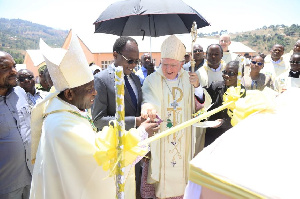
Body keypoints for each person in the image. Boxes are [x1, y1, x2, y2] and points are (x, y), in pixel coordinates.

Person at [30, 34, 158, 199]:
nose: (95, 92)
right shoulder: (60, 123)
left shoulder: (68, 112)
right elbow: (98, 163)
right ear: (69, 94)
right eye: (89, 89)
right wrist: (140, 133)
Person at [141, 35, 210, 199]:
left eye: (173, 65)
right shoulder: (152, 80)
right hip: (161, 138)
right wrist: (149, 108)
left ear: (181, 64)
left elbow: (201, 105)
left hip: (183, 139)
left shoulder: (189, 78)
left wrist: (197, 87)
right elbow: (148, 99)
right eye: (165, 64)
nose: (169, 69)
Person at [92, 36, 158, 198]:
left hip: (137, 146)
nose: (134, 65)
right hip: (117, 150)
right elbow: (99, 120)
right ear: (115, 55)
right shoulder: (102, 80)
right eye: (130, 60)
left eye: (136, 61)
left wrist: (147, 110)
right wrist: (135, 122)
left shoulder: (135, 79)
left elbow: (140, 105)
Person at [0, 51, 33, 199]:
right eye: (5, 67)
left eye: (14, 66)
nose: (14, 71)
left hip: (32, 178)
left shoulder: (21, 93)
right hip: (6, 185)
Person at [204, 61, 245, 147]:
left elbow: (242, 116)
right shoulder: (215, 86)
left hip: (231, 134)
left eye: (231, 73)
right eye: (225, 72)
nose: (226, 75)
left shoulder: (243, 93)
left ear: (241, 75)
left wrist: (224, 122)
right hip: (212, 134)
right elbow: (204, 101)